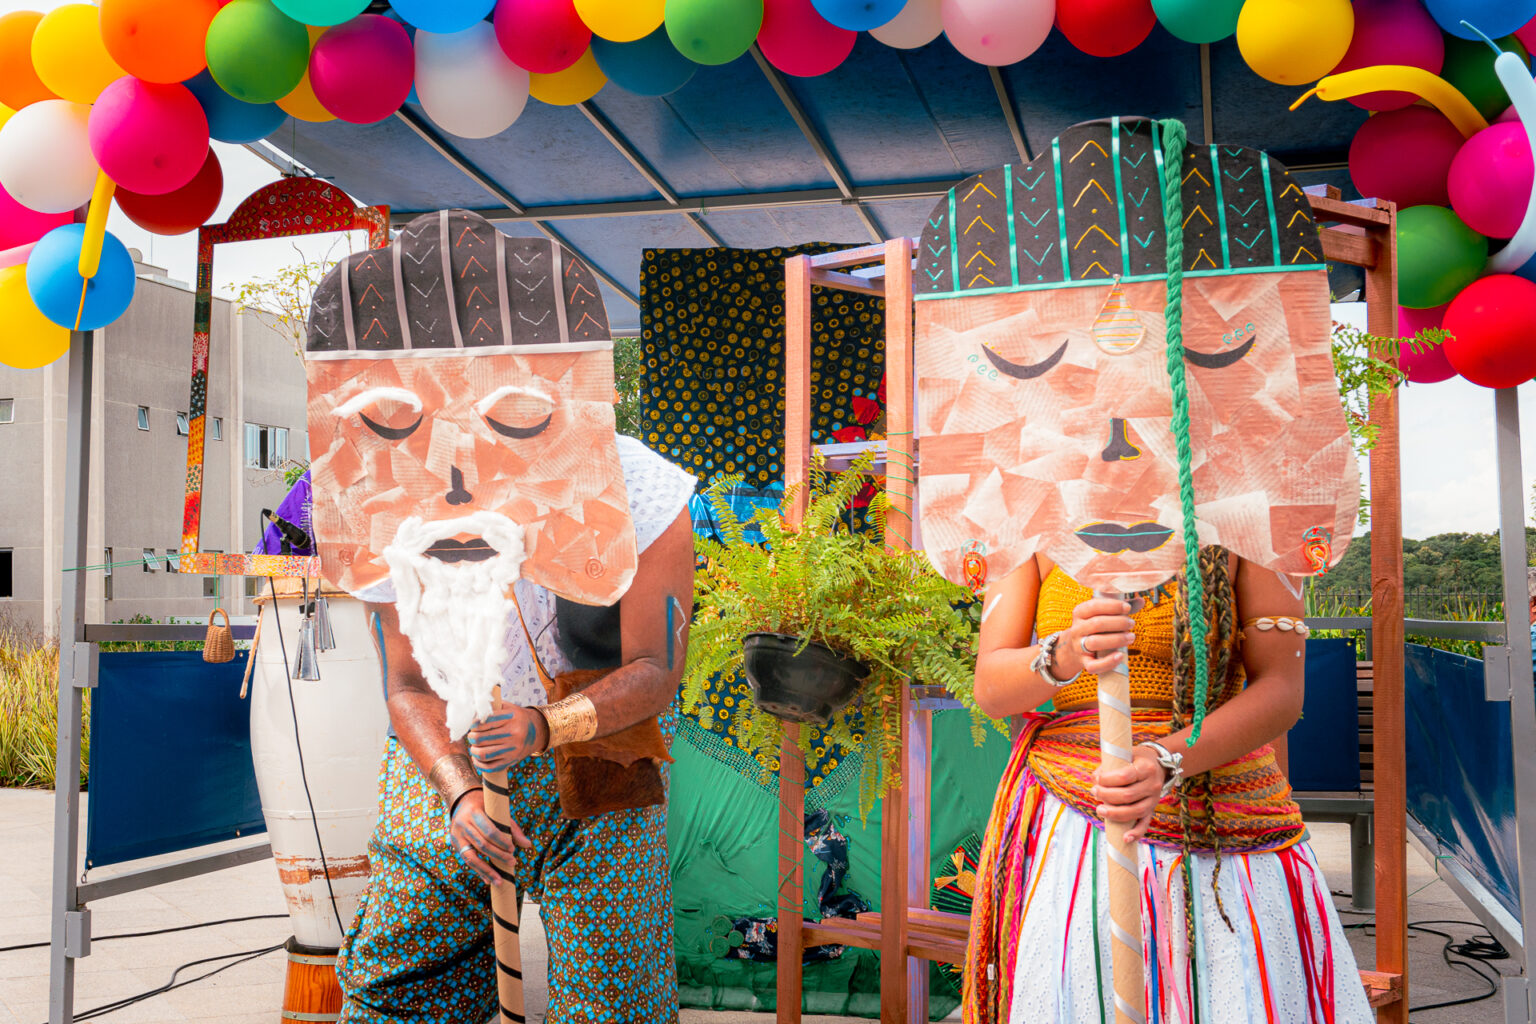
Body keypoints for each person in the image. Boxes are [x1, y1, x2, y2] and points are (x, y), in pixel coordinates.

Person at [336, 434, 697, 1023]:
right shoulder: (385, 487)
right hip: (454, 738)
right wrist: (459, 792)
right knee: (398, 972)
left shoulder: (636, 484)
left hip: (605, 744)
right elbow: (407, 685)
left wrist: (541, 728)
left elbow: (655, 668)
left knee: (613, 993)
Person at [966, 547, 1372, 1023]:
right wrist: (1067, 651)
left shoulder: (1249, 522)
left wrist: (1166, 759)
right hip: (1072, 825)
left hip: (1223, 830)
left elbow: (1281, 688)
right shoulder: (1030, 523)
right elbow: (990, 689)